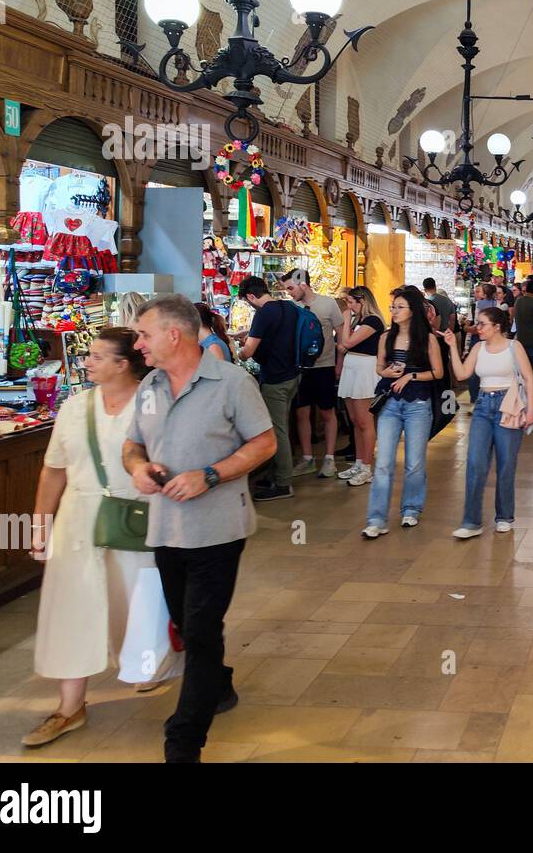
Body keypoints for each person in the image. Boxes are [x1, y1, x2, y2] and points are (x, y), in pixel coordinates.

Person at [124, 294, 276, 763]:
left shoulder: (230, 383)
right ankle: (220, 684)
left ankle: (183, 740)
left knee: (202, 628)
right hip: (165, 531)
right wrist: (137, 467)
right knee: (188, 626)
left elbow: (265, 443)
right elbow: (132, 445)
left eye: (144, 334)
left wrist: (209, 475)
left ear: (174, 334)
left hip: (217, 530)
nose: (138, 343)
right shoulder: (149, 385)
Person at [22, 328, 178, 748]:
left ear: (122, 364)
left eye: (96, 356)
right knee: (73, 611)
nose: (86, 361)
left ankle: (152, 664)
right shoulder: (74, 409)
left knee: (140, 604)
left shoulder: (154, 406)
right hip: (77, 521)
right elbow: (54, 469)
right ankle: (69, 706)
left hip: (136, 519)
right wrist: (41, 521)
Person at [442, 306, 533, 537]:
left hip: (509, 405)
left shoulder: (514, 347)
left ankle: (504, 516)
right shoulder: (477, 347)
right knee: (475, 463)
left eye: (482, 324)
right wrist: (453, 346)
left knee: (506, 464)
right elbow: (463, 374)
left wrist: (531, 410)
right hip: (483, 406)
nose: (478, 328)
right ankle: (471, 522)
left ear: (497, 327)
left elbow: (529, 379)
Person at [363, 287, 445, 536]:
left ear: (412, 311)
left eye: (399, 307)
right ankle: (376, 518)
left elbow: (438, 373)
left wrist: (410, 375)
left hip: (418, 404)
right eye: (392, 307)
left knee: (414, 462)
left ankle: (411, 508)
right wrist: (385, 372)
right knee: (384, 463)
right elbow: (379, 367)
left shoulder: (428, 339)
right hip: (390, 403)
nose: (394, 311)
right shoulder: (385, 337)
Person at [235, 276, 301, 502]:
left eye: (246, 301)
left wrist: (239, 351)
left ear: (251, 296)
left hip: (275, 378)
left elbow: (250, 351)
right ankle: (275, 474)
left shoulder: (264, 313)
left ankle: (283, 482)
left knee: (277, 430)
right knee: (282, 425)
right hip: (292, 375)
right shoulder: (289, 307)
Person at [281, 268, 346, 480]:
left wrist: (340, 364)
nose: (289, 292)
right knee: (301, 412)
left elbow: (341, 336)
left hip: (325, 367)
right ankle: (307, 458)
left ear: (303, 284)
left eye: (291, 287)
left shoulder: (328, 304)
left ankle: (329, 458)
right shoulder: (291, 307)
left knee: (327, 412)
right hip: (300, 368)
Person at [336, 286, 386, 487]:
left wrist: (346, 318)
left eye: (350, 302)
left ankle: (367, 465)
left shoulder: (372, 321)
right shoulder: (360, 321)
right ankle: (358, 462)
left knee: (365, 421)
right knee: (355, 421)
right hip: (352, 368)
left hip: (365, 370)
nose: (348, 306)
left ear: (362, 301)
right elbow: (342, 345)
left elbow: (346, 343)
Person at [465, 282, 498, 405]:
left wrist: (472, 329)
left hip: (479, 340)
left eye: (478, 291)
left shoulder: (477, 306)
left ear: (484, 294)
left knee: (474, 372)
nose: (476, 293)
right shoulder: (497, 305)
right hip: (490, 340)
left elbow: (469, 326)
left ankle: (476, 399)